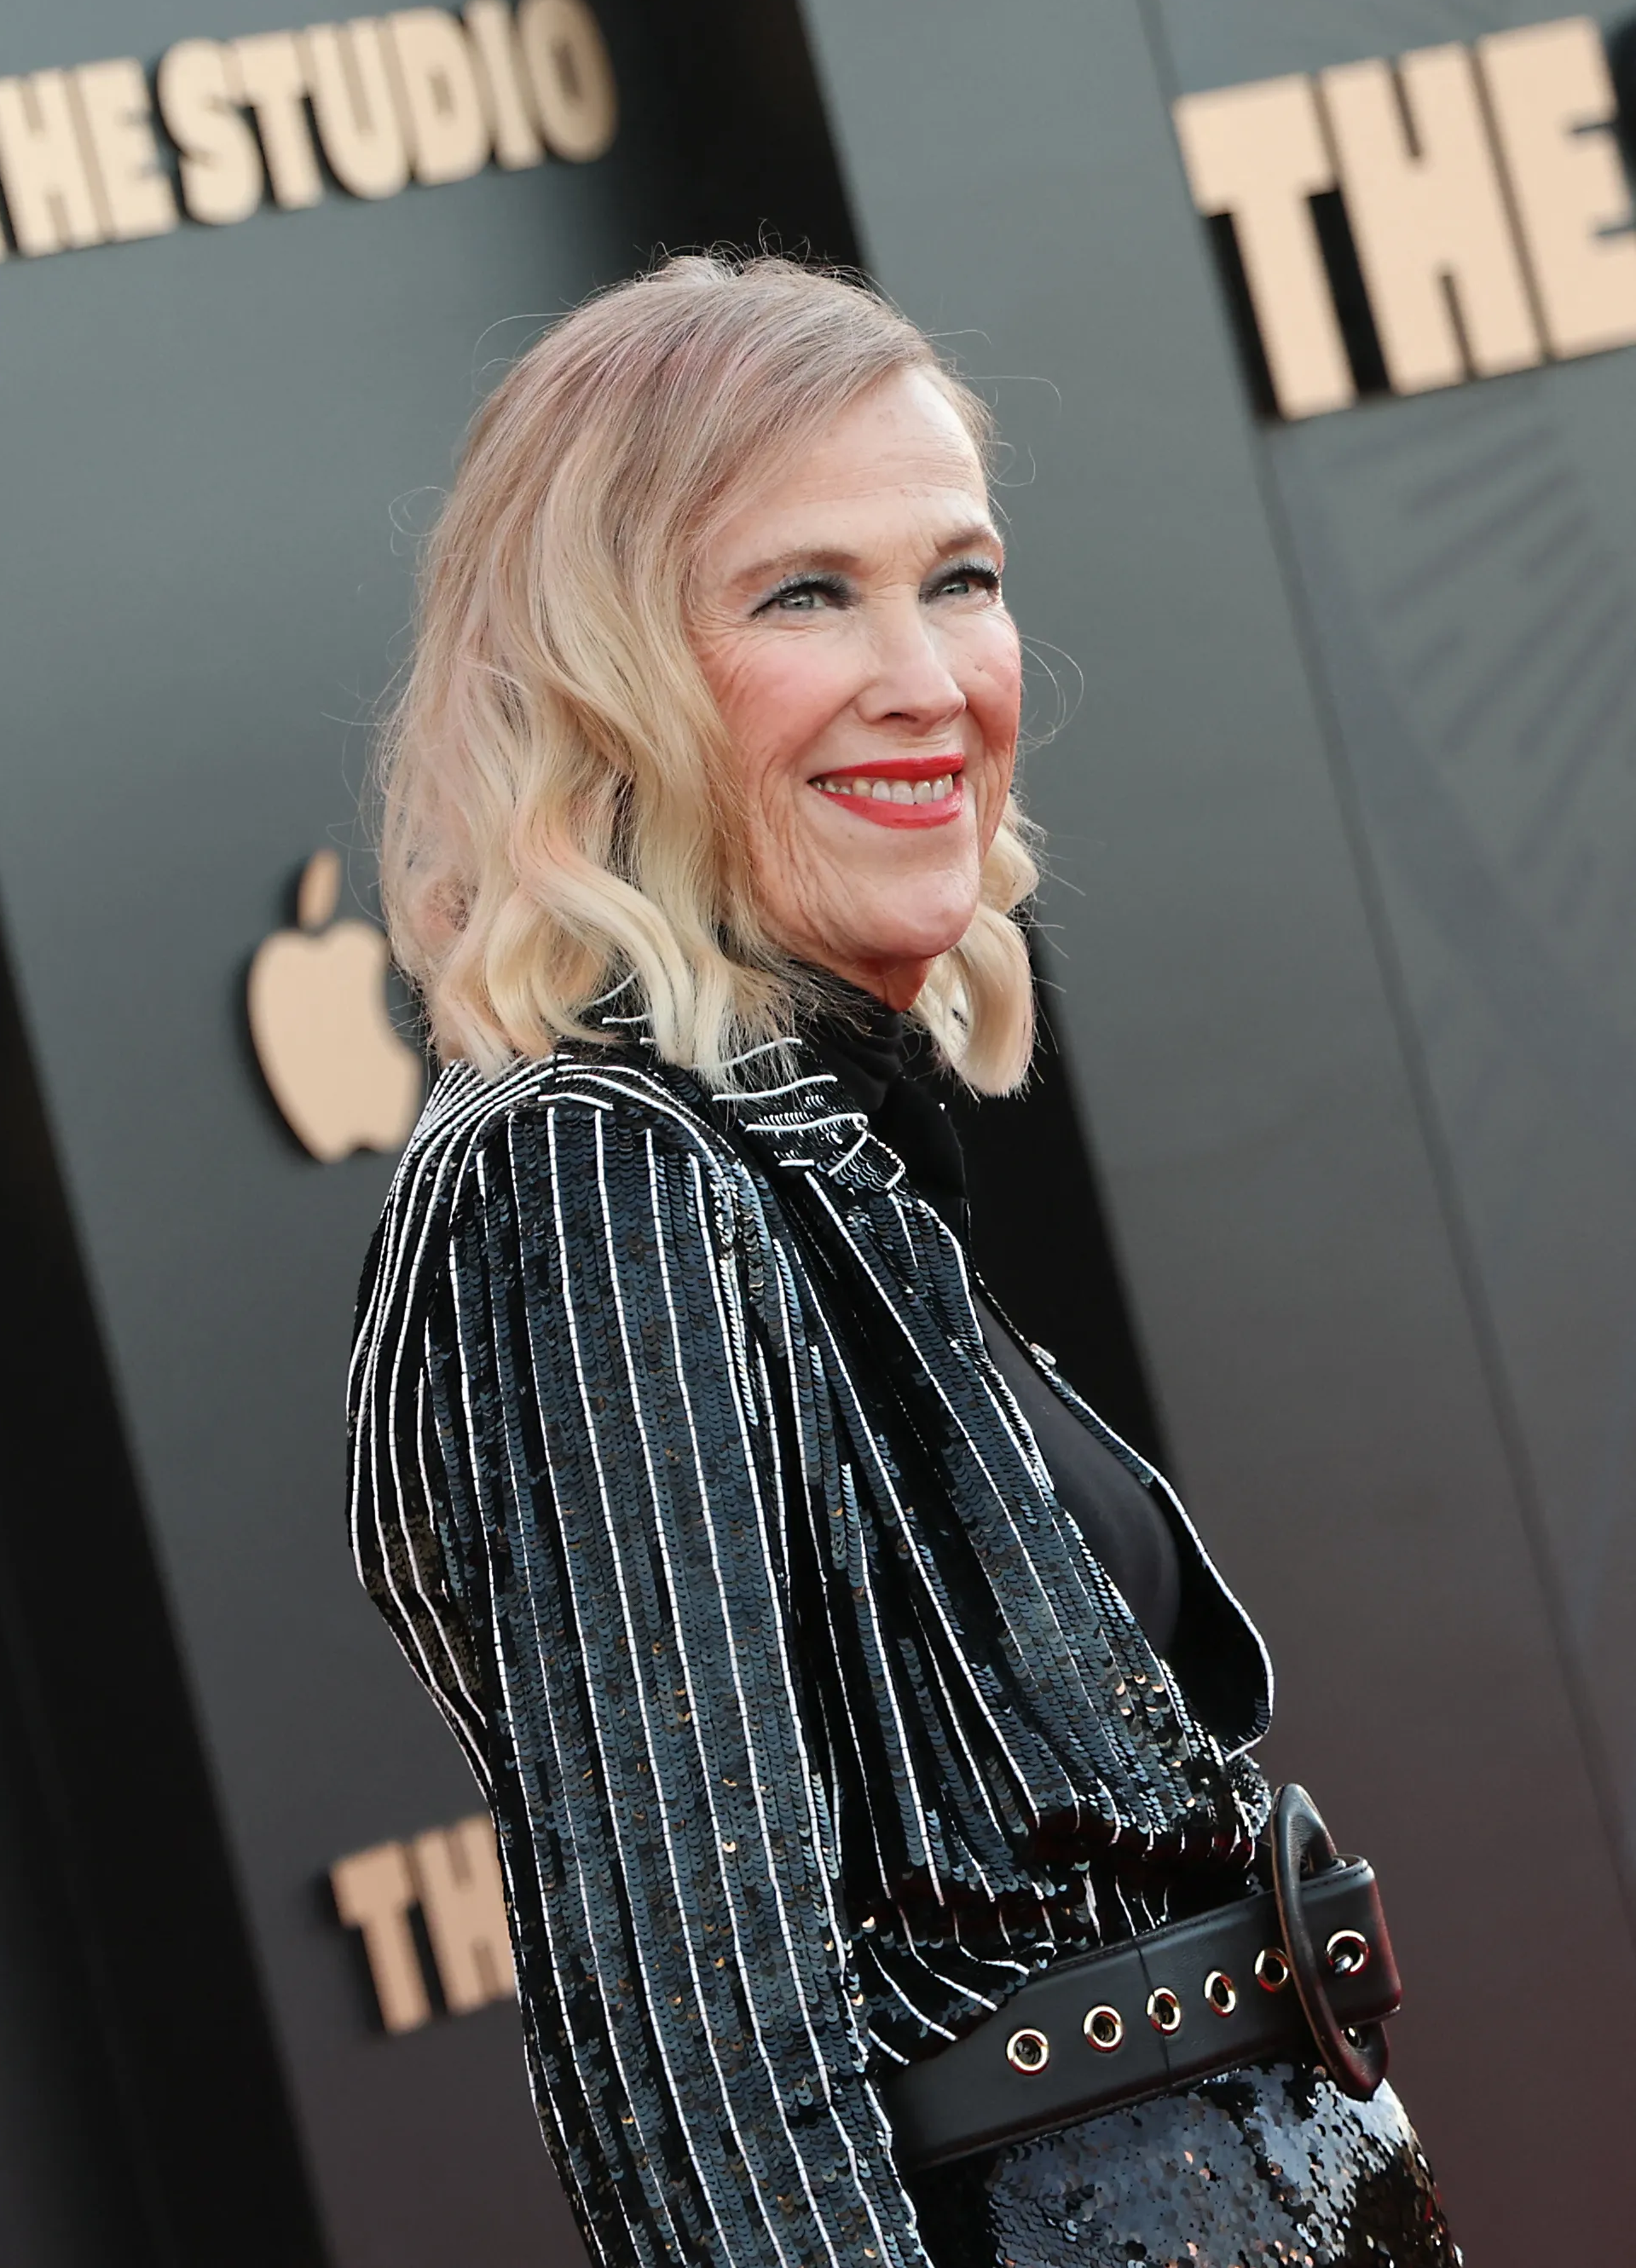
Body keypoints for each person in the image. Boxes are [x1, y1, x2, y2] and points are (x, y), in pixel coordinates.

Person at [348, 256, 1457, 2268]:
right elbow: (698, 2049)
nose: (930, 675)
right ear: (601, 674)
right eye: (803, 593)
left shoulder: (807, 1144)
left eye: (959, 577)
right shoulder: (593, 1176)